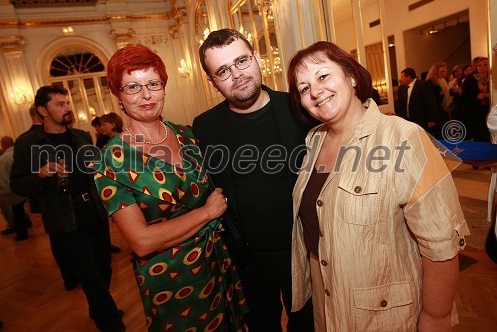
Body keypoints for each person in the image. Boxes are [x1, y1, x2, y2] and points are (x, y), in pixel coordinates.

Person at [286, 41, 469, 331]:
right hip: (328, 305)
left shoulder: (404, 137)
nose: (315, 91)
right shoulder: (314, 139)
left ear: (352, 77)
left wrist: (435, 318)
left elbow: (441, 244)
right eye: (304, 88)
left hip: (385, 317)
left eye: (322, 76)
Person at [90, 43, 247, 331]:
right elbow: (142, 241)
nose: (146, 95)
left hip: (220, 262)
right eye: (133, 87)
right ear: (119, 96)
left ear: (164, 87)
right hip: (173, 280)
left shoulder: (187, 134)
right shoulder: (112, 160)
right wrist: (207, 213)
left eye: (153, 84)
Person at [193, 28, 314, 331]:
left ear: (258, 59)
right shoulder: (205, 127)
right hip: (247, 260)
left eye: (242, 61)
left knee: (309, 325)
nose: (237, 74)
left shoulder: (299, 108)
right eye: (223, 70)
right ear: (213, 82)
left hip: (304, 250)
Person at [10, 85, 125, 331]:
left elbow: (96, 173)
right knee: (91, 276)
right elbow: (17, 185)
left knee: (104, 267)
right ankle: (111, 323)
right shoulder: (28, 144)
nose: (67, 108)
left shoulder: (81, 136)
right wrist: (39, 174)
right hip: (65, 219)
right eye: (60, 104)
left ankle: (99, 307)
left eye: (67, 103)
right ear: (43, 110)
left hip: (94, 212)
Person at [0, 136, 29, 241]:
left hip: (13, 190)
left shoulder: (3, 159)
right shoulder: (20, 153)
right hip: (24, 187)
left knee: (17, 213)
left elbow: (3, 179)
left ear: (2, 145)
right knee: (21, 210)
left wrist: (4, 194)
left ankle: (22, 234)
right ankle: (28, 223)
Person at [395, 67, 438, 136]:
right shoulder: (403, 88)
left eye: (402, 77)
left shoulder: (423, 85)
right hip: (409, 120)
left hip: (422, 120)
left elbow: (430, 102)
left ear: (408, 77)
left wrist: (432, 119)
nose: (401, 79)